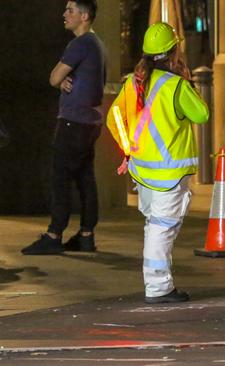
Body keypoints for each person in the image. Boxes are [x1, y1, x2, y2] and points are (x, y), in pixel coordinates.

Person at [105, 22, 209, 304]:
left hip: (141, 173)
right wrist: (186, 81)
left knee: (154, 226)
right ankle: (158, 287)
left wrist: (128, 151)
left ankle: (158, 284)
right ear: (174, 52)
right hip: (169, 174)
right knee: (161, 229)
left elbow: (113, 118)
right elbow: (201, 114)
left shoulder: (134, 82)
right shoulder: (175, 86)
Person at [22, 0, 106, 255]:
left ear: (84, 16)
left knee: (59, 178)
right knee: (85, 178)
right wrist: (65, 82)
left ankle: (54, 234)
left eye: (70, 10)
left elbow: (54, 77)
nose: (64, 14)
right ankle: (86, 235)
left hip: (73, 121)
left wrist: (60, 81)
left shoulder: (79, 44)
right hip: (91, 122)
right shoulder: (98, 45)